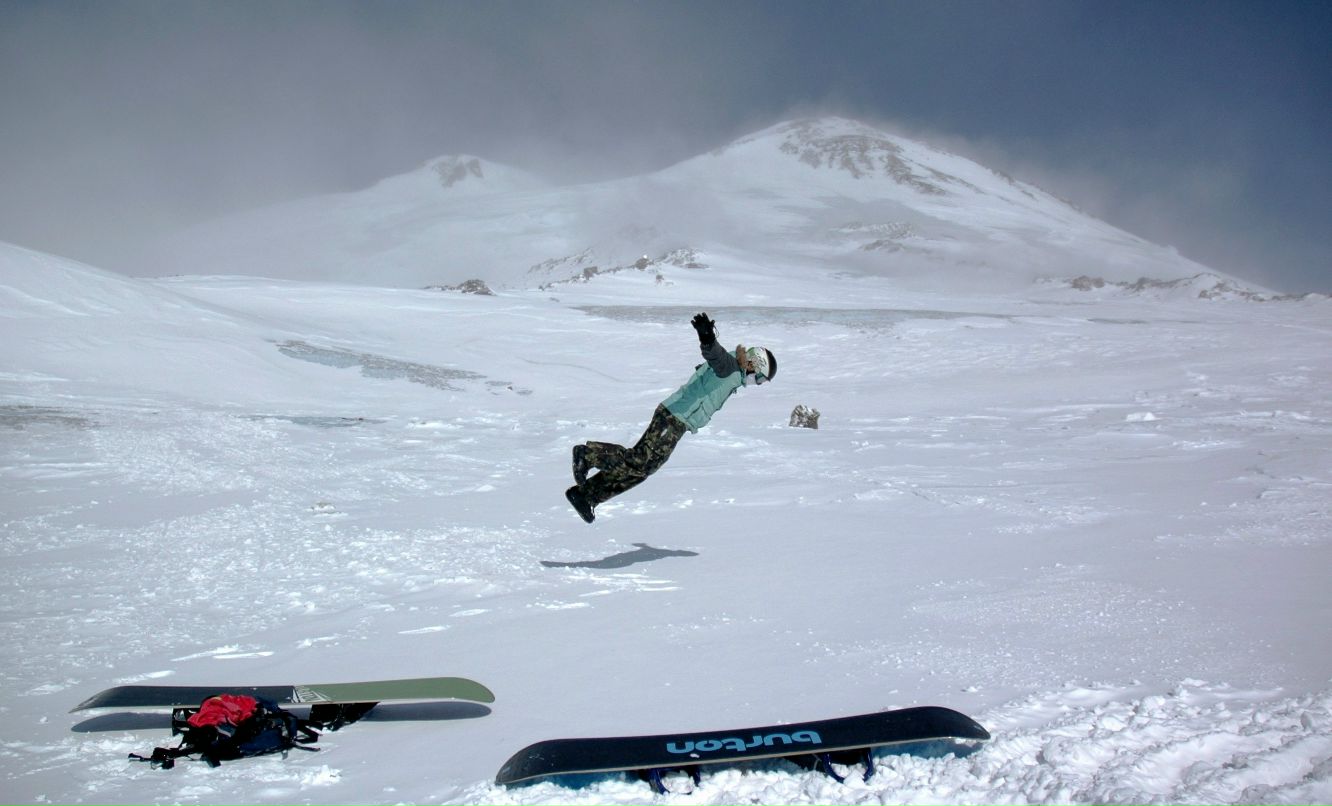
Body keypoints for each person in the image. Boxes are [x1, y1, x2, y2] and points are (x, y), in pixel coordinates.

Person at [565, 312, 776, 523]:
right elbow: (714, 354)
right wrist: (707, 337)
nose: (756, 384)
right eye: (759, 379)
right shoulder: (729, 366)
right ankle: (588, 454)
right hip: (674, 416)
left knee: (644, 468)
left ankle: (587, 495)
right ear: (753, 365)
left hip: (679, 421)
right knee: (641, 460)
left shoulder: (733, 375)